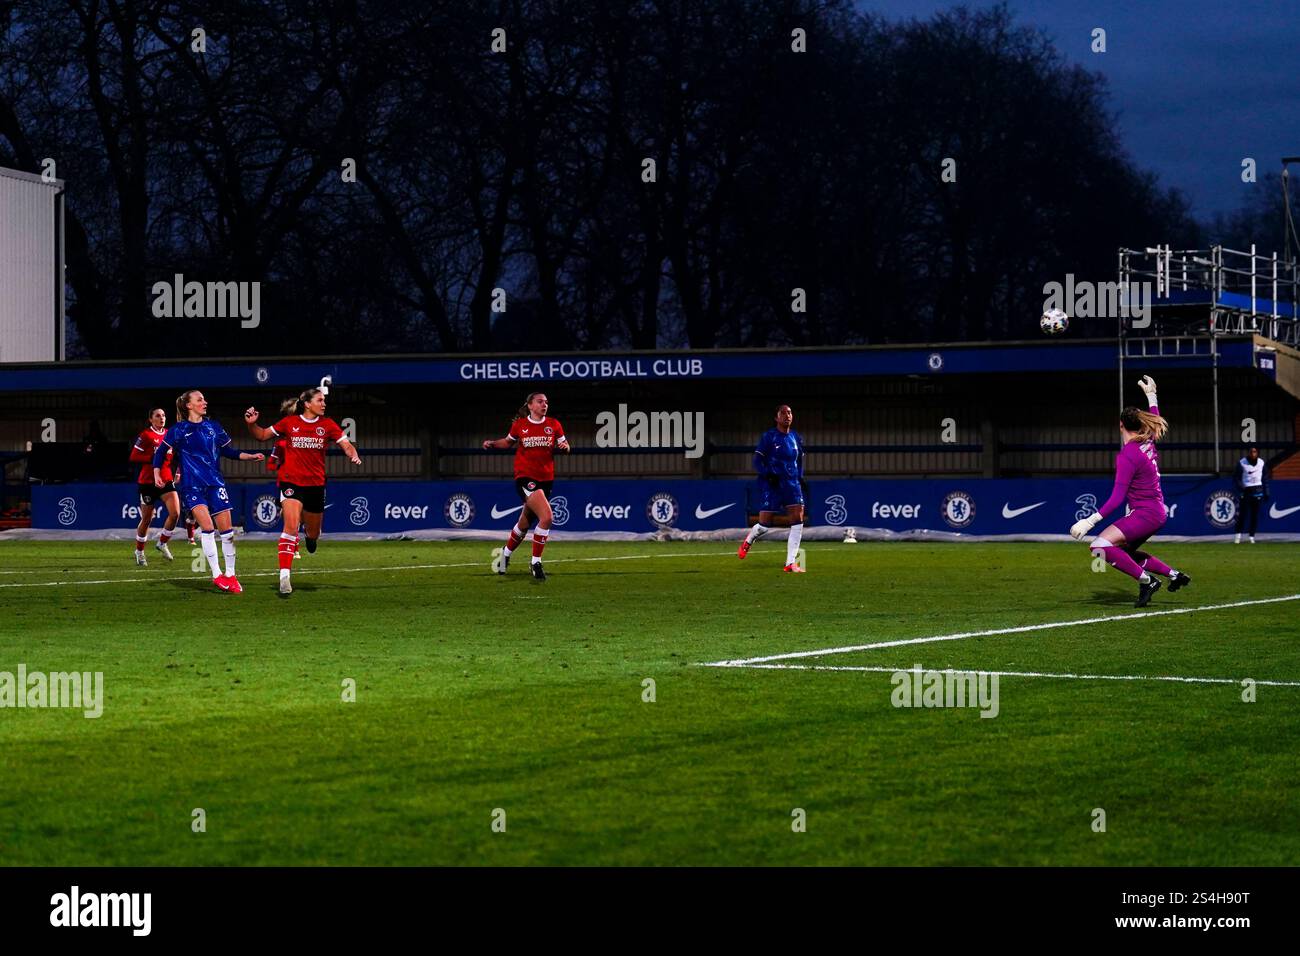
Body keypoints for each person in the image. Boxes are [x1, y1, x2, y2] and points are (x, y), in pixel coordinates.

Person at [1070, 376, 1190, 607]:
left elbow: (1117, 498)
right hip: (1155, 513)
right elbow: (1155, 419)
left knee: (1099, 547)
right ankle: (1174, 575)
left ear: (1120, 425)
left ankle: (1147, 581)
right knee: (1122, 552)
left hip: (1145, 513)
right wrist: (1152, 396)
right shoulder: (1148, 441)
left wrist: (1089, 522)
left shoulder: (1128, 455)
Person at [244, 389, 361, 595]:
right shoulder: (289, 423)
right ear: (307, 403)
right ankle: (284, 577)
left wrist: (352, 454)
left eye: (324, 401)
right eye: (320, 400)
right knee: (290, 526)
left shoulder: (328, 425)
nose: (324, 404)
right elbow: (262, 435)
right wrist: (251, 424)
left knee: (313, 531)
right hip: (291, 482)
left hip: (315, 485)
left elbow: (347, 445)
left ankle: (311, 537)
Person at [153, 390, 264, 592]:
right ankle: (217, 575)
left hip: (215, 484)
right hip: (192, 486)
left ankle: (231, 575)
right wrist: (156, 473)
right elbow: (160, 453)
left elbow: (228, 451)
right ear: (189, 405)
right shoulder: (178, 430)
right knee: (207, 527)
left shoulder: (214, 427)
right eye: (200, 399)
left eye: (204, 399)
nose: (205, 402)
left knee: (228, 533)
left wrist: (249, 456)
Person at [482, 392, 569, 581]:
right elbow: (507, 442)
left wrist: (565, 448)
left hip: (546, 479)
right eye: (540, 401)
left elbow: (565, 445)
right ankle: (535, 562)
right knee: (547, 517)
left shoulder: (554, 424)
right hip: (525, 477)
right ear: (530, 405)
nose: (544, 404)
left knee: (525, 523)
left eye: (546, 402)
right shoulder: (520, 425)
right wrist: (493, 443)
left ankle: (504, 555)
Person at [738, 404, 807, 572]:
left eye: (790, 412)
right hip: (773, 484)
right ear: (776, 418)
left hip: (792, 485)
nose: (787, 415)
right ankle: (749, 539)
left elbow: (799, 462)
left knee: (797, 522)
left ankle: (790, 563)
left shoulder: (796, 438)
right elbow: (757, 461)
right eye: (783, 413)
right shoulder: (769, 437)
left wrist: (800, 477)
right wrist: (767, 474)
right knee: (764, 525)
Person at [127, 407, 182, 564]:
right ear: (151, 419)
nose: (162, 418)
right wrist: (153, 456)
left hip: (166, 480)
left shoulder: (170, 434)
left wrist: (178, 471)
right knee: (146, 520)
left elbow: (179, 455)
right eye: (158, 416)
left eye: (163, 415)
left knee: (175, 513)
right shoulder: (145, 435)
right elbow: (134, 456)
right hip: (148, 482)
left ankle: (162, 542)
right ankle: (139, 551)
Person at [1234, 446, 1269, 544]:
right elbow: (1236, 478)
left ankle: (1251, 536)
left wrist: (1267, 492)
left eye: (1255, 452)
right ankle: (1238, 536)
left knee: (1255, 515)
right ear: (1248, 453)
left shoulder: (1261, 463)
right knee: (1243, 514)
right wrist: (1242, 487)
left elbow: (1265, 478)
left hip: (1257, 490)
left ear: (1257, 453)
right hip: (1246, 490)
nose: (1253, 453)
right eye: (1251, 452)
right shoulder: (1242, 463)